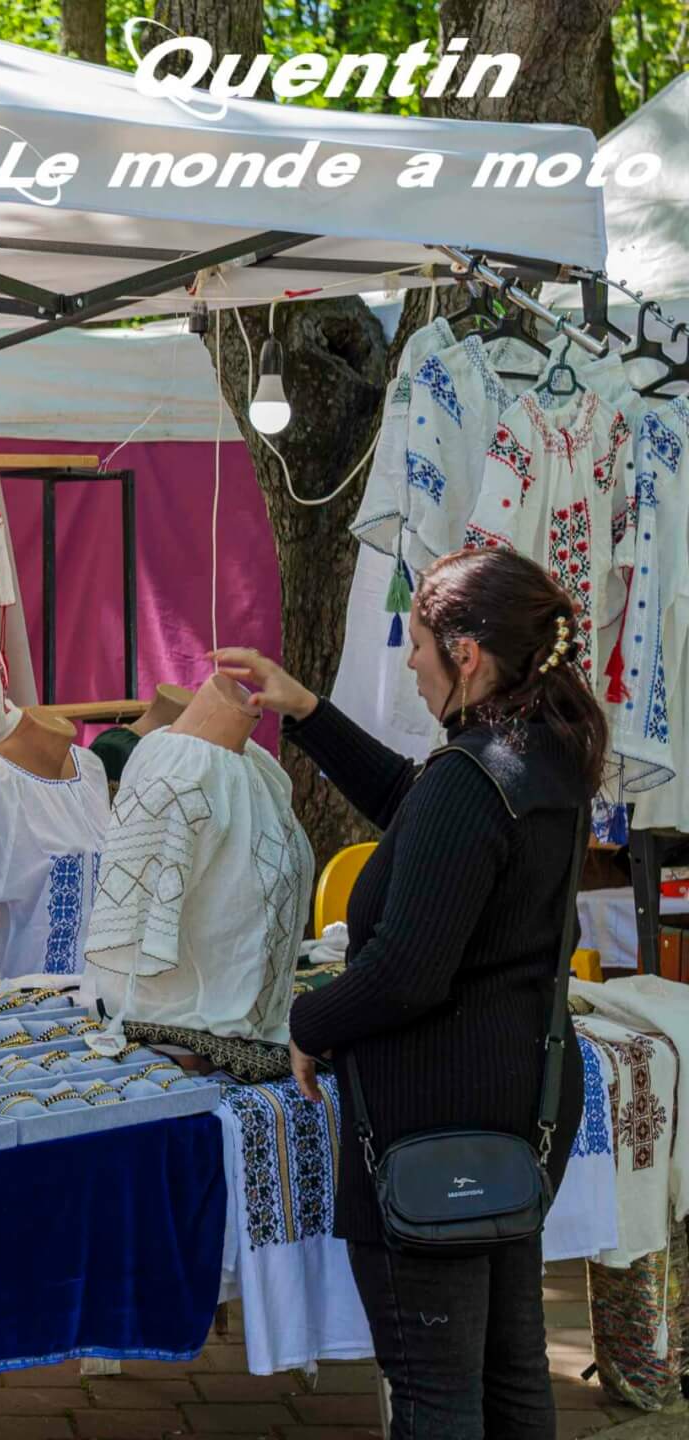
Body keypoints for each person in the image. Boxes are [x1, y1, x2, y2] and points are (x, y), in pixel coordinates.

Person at [213, 547, 601, 1440]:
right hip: (519, 1101)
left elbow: (406, 973)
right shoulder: (540, 759)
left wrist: (310, 1018)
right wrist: (306, 711)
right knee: (510, 1371)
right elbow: (416, 808)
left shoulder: (476, 776)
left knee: (434, 1391)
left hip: (439, 1116)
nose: (412, 665)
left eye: (420, 645)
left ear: (468, 654)